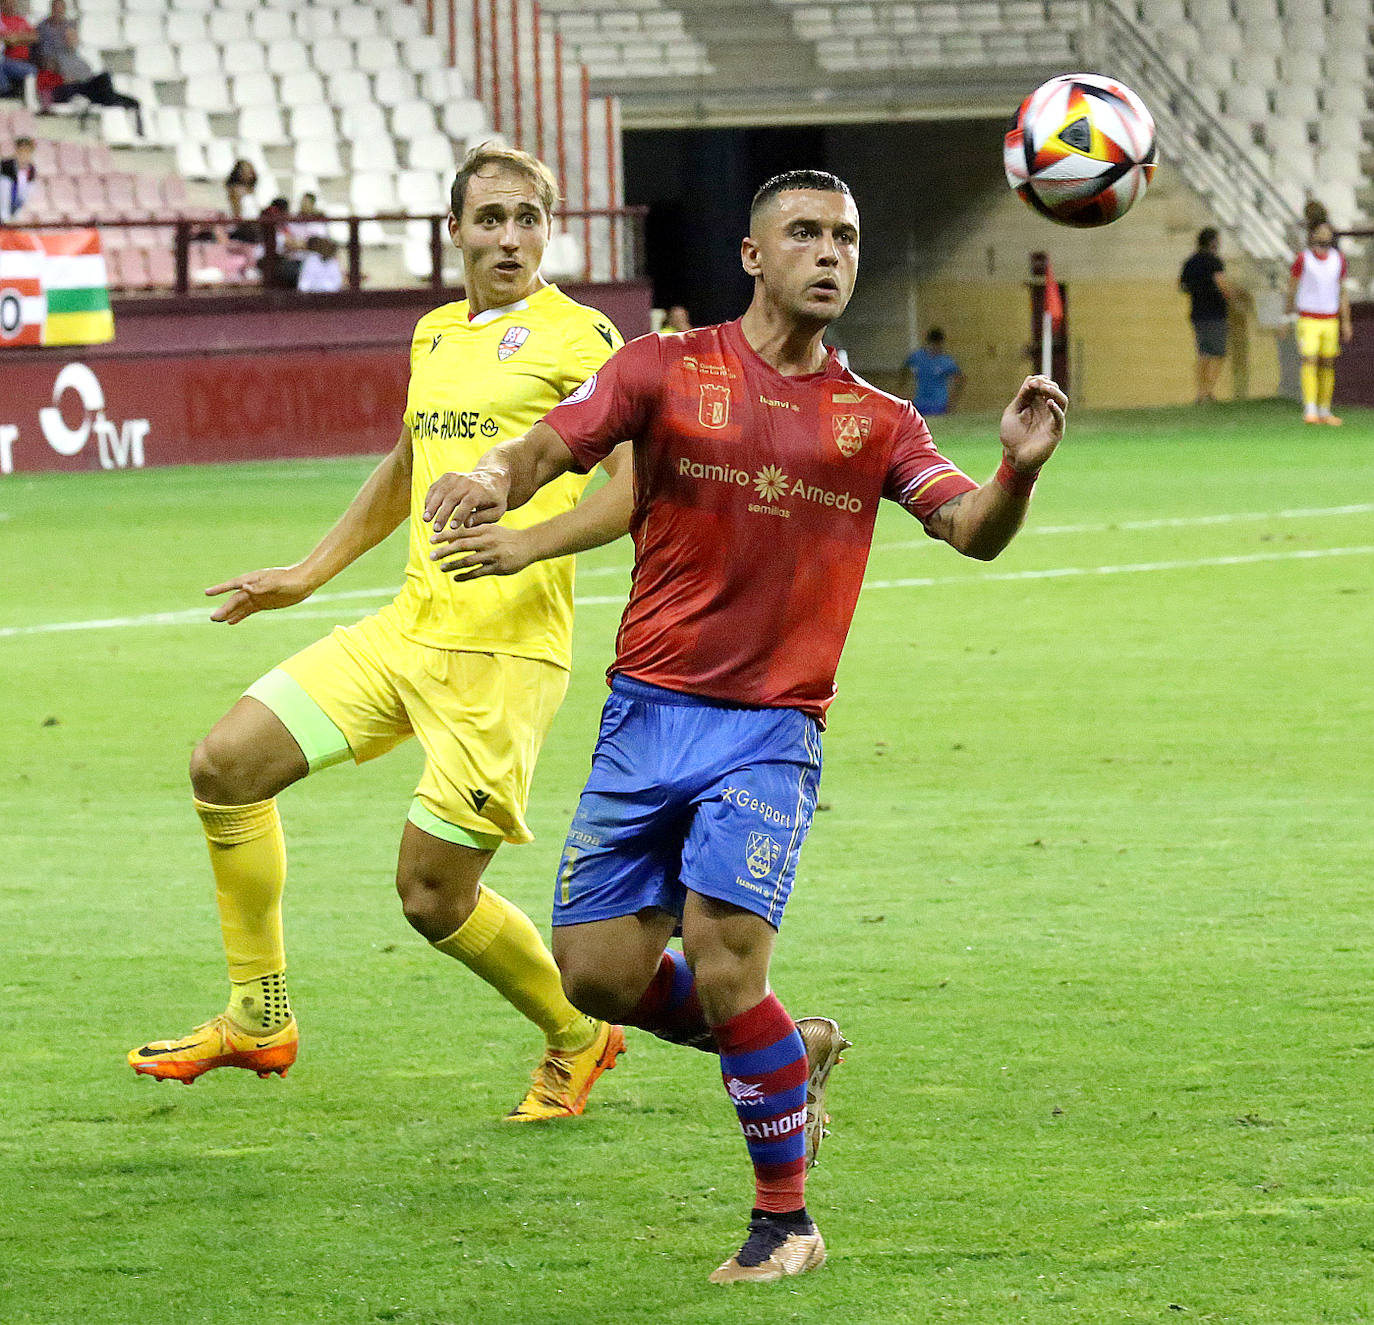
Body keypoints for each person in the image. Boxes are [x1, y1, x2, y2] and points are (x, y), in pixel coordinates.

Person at [422, 169, 1067, 1282]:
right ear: (754, 257)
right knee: (596, 976)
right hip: (645, 716)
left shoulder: (877, 420)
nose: (831, 252)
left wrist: (1013, 467)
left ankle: (787, 1223)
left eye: (847, 237)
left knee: (723, 960)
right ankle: (787, 1046)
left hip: (770, 729)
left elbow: (970, 527)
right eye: (806, 233)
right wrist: (491, 472)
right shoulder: (664, 370)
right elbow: (556, 442)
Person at [127, 143, 637, 1126]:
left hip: (504, 656)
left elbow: (632, 484)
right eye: (489, 218)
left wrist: (528, 540)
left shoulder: (583, 339)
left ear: (548, 229)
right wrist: (304, 574)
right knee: (226, 763)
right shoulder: (436, 331)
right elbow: (410, 465)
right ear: (453, 231)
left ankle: (579, 1034)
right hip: (407, 630)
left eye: (528, 218)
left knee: (431, 894)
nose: (509, 237)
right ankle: (258, 1013)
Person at [1287, 219, 1353, 425]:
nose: (1324, 236)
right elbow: (1293, 287)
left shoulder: (1338, 259)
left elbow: (1342, 291)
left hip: (1330, 318)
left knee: (1327, 362)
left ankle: (1325, 410)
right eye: (1320, 232)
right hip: (1309, 317)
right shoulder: (1303, 259)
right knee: (1309, 359)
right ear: (1312, 234)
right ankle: (1310, 409)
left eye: (1327, 232)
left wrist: (1346, 320)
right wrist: (1287, 314)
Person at [48, 21, 143, 135]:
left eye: (73, 36)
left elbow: (90, 73)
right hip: (73, 88)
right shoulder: (57, 56)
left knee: (133, 102)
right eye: (67, 37)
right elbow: (57, 76)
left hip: (88, 86)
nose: (71, 39)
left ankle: (139, 131)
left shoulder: (83, 55)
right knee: (102, 80)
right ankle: (108, 100)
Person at [1178, 228, 1233, 403]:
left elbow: (1182, 286)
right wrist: (1233, 300)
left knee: (1203, 353)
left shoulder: (1190, 262)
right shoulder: (1214, 262)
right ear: (1212, 242)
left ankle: (1200, 391)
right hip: (1215, 312)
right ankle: (1207, 391)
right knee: (1218, 353)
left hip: (1197, 312)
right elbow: (1222, 284)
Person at [903, 327, 964, 415]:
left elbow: (960, 379)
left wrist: (951, 402)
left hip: (939, 404)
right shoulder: (917, 357)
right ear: (928, 343)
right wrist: (905, 391)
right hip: (919, 402)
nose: (935, 348)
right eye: (932, 345)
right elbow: (905, 369)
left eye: (938, 345)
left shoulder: (946, 361)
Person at [0, 0, 38, 106]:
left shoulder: (20, 20)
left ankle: (31, 104)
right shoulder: (2, 20)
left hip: (23, 60)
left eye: (13, 3)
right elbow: (8, 41)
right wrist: (23, 37)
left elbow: (35, 36)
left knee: (31, 70)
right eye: (8, 3)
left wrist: (17, 37)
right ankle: (5, 92)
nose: (11, 6)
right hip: (7, 59)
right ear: (2, 4)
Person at [0, 133, 36, 221]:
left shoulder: (31, 169)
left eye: (27, 151)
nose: (24, 154)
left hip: (16, 208)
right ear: (16, 151)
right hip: (3, 204)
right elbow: (4, 192)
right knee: (5, 182)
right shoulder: (5, 165)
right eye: (21, 151)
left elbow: (25, 195)